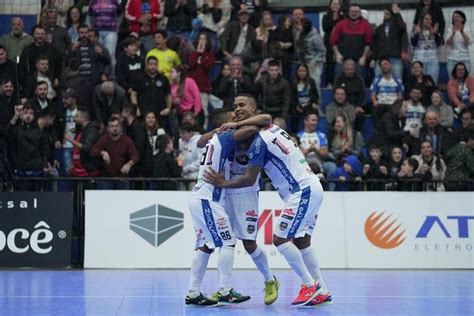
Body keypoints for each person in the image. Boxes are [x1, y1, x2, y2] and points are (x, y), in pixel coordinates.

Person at [204, 109, 332, 307]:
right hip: (312, 186)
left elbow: (249, 179)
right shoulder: (273, 128)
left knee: (280, 239)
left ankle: (310, 286)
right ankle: (322, 289)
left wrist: (222, 182)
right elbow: (265, 118)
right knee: (302, 240)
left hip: (302, 191)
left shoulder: (258, 143)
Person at [185, 107, 270, 307]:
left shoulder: (215, 140)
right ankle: (224, 290)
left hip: (202, 198)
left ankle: (193, 292)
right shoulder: (224, 138)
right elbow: (254, 128)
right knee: (228, 241)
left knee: (205, 245)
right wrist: (237, 125)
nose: (235, 120)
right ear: (225, 126)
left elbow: (202, 141)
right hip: (208, 199)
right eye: (231, 120)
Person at [90, 116, 140, 189]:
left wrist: (129, 164)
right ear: (108, 128)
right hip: (107, 178)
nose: (115, 128)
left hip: (122, 178)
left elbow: (136, 155)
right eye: (112, 126)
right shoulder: (104, 139)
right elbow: (93, 151)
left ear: (120, 127)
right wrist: (102, 152)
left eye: (117, 126)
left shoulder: (126, 141)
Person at [330, 4, 372, 78]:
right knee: (338, 82)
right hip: (342, 61)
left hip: (358, 61)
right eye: (352, 11)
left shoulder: (366, 26)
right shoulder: (340, 24)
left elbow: (368, 43)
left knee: (359, 83)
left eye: (356, 11)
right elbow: (333, 41)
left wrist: (364, 57)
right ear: (349, 12)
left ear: (359, 13)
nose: (354, 13)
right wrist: (337, 54)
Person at [297, 110, 336, 182]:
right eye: (313, 120)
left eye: (316, 121)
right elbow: (297, 156)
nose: (315, 123)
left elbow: (325, 155)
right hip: (304, 165)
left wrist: (315, 149)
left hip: (319, 164)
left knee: (331, 166)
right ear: (305, 121)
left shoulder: (321, 136)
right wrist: (308, 150)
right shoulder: (299, 136)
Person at [19, 25, 62, 89]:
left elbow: (59, 65)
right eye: (38, 34)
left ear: (45, 35)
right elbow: (21, 67)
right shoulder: (27, 50)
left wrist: (57, 78)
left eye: (42, 34)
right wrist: (25, 81)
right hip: (31, 85)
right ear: (33, 35)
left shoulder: (52, 50)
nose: (40, 36)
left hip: (49, 84)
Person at [372, 4, 408, 80]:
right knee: (378, 80)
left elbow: (402, 28)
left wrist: (397, 14)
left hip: (396, 58)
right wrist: (374, 58)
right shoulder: (379, 28)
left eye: (387, 14)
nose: (385, 16)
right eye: (384, 13)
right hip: (381, 59)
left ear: (392, 15)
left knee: (397, 81)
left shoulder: (398, 27)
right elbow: (375, 44)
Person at [131, 56, 171, 123]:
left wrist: (168, 108)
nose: (153, 66)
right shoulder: (140, 78)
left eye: (155, 64)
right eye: (151, 64)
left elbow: (168, 95)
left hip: (160, 112)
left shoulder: (164, 79)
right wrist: (136, 108)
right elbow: (133, 94)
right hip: (144, 112)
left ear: (158, 65)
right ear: (147, 65)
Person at [188, 32, 215, 127]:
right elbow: (191, 64)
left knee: (204, 111)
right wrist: (197, 53)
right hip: (191, 88)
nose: (202, 41)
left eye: (204, 39)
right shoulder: (193, 54)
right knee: (191, 111)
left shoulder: (210, 55)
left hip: (202, 88)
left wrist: (202, 54)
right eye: (200, 39)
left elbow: (207, 65)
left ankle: (203, 129)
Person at [65, 108, 101, 177]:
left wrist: (71, 140)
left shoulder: (92, 130)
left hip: (87, 171)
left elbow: (86, 148)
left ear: (83, 118)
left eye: (76, 116)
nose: (74, 119)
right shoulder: (82, 130)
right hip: (78, 170)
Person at [370, 57, 404, 125]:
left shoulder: (397, 80)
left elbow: (400, 96)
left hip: (392, 105)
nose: (384, 66)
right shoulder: (377, 80)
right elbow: (373, 95)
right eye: (381, 65)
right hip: (381, 104)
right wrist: (374, 101)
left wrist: (397, 105)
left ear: (390, 65)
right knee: (375, 110)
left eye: (386, 64)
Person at [411, 12, 442, 84]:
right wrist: (417, 34)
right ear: (422, 20)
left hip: (432, 61)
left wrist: (435, 33)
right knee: (418, 84)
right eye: (426, 19)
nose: (429, 21)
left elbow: (439, 43)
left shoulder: (435, 30)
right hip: (419, 61)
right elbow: (413, 43)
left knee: (432, 83)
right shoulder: (415, 30)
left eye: (430, 19)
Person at [89, 0, 121, 70]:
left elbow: (119, 13)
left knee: (110, 55)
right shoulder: (93, 1)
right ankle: (99, 76)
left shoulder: (114, 1)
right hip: (96, 32)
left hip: (111, 31)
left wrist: (118, 25)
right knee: (97, 54)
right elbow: (90, 14)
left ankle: (112, 77)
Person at [298, 18, 325, 97]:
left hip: (314, 64)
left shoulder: (316, 37)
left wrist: (313, 62)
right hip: (303, 62)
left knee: (315, 85)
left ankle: (318, 106)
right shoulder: (299, 34)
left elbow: (322, 51)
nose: (298, 27)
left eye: (300, 25)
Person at [290, 63, 319, 132]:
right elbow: (291, 97)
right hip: (297, 106)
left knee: (312, 114)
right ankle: (294, 133)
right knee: (294, 114)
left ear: (307, 72)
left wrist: (314, 102)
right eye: (300, 71)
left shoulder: (311, 82)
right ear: (297, 72)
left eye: (304, 71)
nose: (302, 73)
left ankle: (310, 132)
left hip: (309, 105)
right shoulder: (292, 82)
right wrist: (296, 106)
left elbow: (315, 95)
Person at [322, 0, 343, 87]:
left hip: (341, 44)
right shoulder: (326, 17)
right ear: (330, 5)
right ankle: (329, 83)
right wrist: (334, 19)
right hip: (329, 44)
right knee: (329, 65)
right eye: (334, 4)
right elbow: (325, 28)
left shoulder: (343, 17)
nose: (336, 5)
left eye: (337, 4)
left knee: (339, 65)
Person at [178, 123, 201, 190]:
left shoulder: (199, 141)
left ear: (190, 132)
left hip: (195, 178)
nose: (181, 136)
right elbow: (181, 156)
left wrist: (186, 169)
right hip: (183, 176)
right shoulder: (181, 141)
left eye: (183, 133)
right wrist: (180, 168)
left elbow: (200, 161)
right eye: (180, 133)